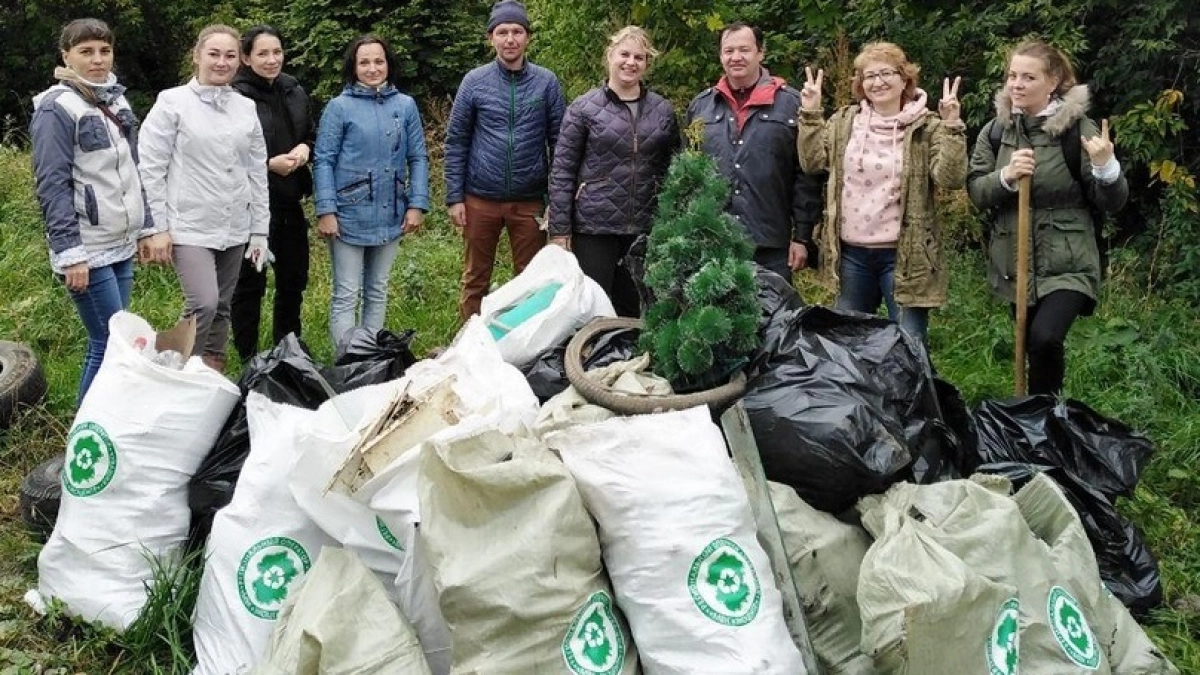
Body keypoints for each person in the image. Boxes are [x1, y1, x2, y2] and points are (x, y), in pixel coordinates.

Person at [967, 40, 1128, 395]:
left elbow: (1113, 203)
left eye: (1028, 77)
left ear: (1052, 81)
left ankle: (1046, 424)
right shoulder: (996, 132)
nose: (1017, 85)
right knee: (1028, 345)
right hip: (1015, 259)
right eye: (1012, 76)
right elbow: (977, 191)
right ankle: (1036, 422)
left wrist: (1105, 167)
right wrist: (1006, 177)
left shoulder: (1077, 130)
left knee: (1045, 339)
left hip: (1068, 260)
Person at [30, 18, 171, 403]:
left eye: (104, 51)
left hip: (120, 241)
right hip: (86, 249)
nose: (97, 60)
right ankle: (84, 432)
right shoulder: (56, 108)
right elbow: (52, 186)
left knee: (116, 341)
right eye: (86, 52)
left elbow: (133, 167)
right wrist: (70, 254)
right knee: (109, 343)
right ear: (66, 56)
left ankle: (105, 423)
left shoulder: (115, 99)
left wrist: (144, 228)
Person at [798, 42, 967, 346]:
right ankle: (857, 396)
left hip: (904, 256)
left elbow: (951, 178)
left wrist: (952, 125)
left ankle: (915, 396)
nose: (878, 82)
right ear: (861, 85)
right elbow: (812, 163)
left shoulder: (926, 127)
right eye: (869, 76)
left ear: (905, 79)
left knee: (909, 345)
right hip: (851, 255)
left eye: (886, 73)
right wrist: (810, 114)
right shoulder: (844, 123)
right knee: (846, 346)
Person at [139, 24, 270, 373]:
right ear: (197, 56)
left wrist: (259, 230)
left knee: (223, 304)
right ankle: (176, 372)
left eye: (229, 55)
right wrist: (157, 228)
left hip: (234, 225)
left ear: (239, 62)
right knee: (204, 302)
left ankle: (211, 371)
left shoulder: (245, 107)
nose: (222, 62)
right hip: (188, 225)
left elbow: (256, 171)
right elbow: (150, 166)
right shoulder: (172, 103)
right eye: (214, 54)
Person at [444, 0, 567, 321]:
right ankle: (469, 342)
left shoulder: (546, 82)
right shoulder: (474, 81)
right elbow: (457, 141)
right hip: (479, 198)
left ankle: (521, 343)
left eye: (517, 31)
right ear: (491, 38)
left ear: (527, 37)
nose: (510, 39)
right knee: (475, 278)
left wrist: (557, 198)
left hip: (529, 201)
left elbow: (560, 144)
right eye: (502, 32)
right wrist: (454, 196)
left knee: (530, 279)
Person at [548, 26, 680, 317]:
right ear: (610, 56)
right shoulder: (584, 108)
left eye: (639, 57)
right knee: (592, 306)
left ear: (647, 64)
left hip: (646, 226)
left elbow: (675, 167)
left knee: (635, 307)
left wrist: (673, 221)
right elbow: (562, 171)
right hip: (595, 225)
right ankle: (590, 359)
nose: (630, 62)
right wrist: (560, 230)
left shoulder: (662, 111)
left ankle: (630, 361)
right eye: (624, 54)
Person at [685, 22, 824, 284]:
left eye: (744, 50)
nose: (736, 57)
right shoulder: (701, 107)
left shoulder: (792, 104)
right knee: (717, 321)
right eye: (729, 51)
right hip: (714, 240)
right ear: (720, 56)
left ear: (760, 53)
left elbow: (806, 174)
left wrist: (802, 237)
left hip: (770, 242)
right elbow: (688, 176)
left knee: (772, 321)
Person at [313, 35, 429, 346]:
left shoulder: (405, 106)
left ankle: (370, 357)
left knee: (377, 289)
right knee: (347, 293)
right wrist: (326, 211)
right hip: (348, 214)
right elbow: (323, 160)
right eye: (364, 62)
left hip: (391, 214)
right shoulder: (339, 108)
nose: (372, 68)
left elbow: (418, 156)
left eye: (379, 61)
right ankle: (347, 361)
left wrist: (416, 204)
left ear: (389, 64)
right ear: (354, 66)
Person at [229, 25, 315, 362]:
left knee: (293, 280)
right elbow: (226, 153)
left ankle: (288, 349)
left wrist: (305, 149)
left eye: (276, 52)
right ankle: (247, 356)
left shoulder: (293, 89)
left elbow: (309, 133)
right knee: (250, 285)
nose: (271, 60)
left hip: (289, 199)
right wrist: (267, 163)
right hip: (250, 206)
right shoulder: (235, 96)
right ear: (247, 58)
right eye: (262, 53)